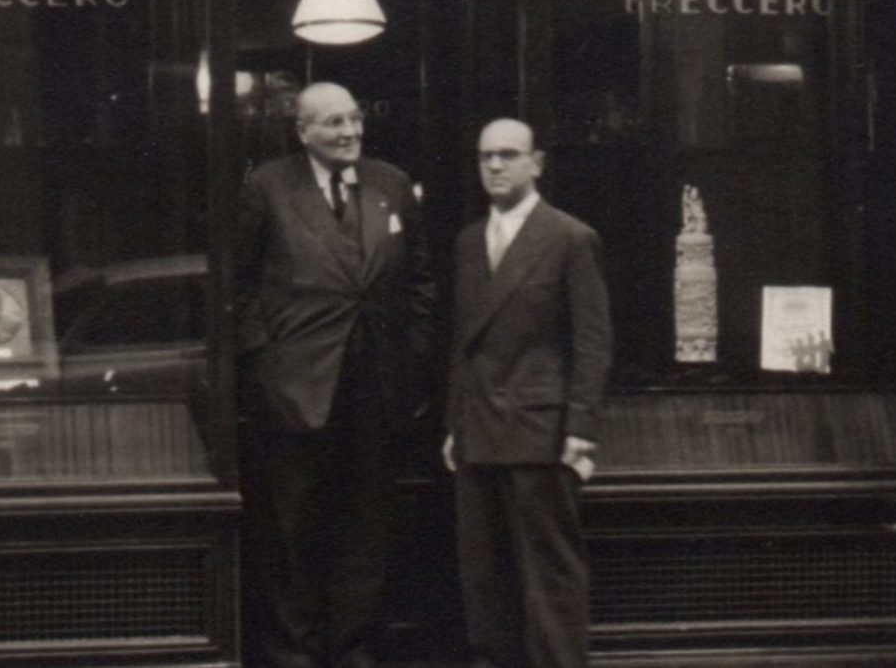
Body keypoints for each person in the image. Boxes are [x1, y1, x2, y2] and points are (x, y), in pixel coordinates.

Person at [232, 82, 434, 668]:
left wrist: (413, 356)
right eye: (332, 124)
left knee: (366, 526)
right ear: (303, 132)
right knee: (293, 529)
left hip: (376, 390)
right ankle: (292, 652)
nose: (349, 132)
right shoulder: (268, 187)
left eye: (354, 119)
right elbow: (239, 288)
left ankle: (351, 647)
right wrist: (264, 365)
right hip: (297, 391)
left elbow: (420, 281)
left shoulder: (390, 184)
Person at [441, 118, 612, 668]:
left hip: (541, 433)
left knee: (549, 576)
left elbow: (592, 341)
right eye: (486, 155)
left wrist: (580, 429)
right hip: (478, 431)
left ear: (536, 163)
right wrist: (454, 423)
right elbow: (462, 341)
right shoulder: (470, 242)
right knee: (483, 579)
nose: (494, 165)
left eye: (509, 155)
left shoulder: (569, 237)